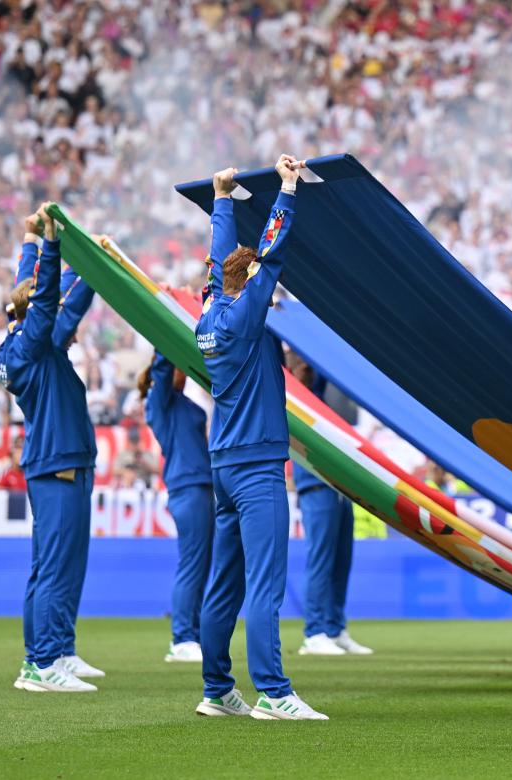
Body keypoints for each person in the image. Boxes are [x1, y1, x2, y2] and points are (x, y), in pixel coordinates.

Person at [192, 159, 327, 721]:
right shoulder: (247, 313)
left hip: (223, 464)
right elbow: (267, 253)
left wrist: (223, 198)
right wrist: (288, 188)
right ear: (250, 286)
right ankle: (273, 693)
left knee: (223, 585)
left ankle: (217, 690)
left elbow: (228, 262)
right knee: (265, 584)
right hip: (256, 467)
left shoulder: (206, 313)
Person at [0, 205, 103, 694]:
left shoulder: (23, 341)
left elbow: (35, 293)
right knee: (54, 568)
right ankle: (41, 664)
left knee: (51, 567)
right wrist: (54, 241)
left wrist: (29, 240)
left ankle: (49, 653)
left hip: (60, 461)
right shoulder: (33, 345)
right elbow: (43, 299)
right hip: (57, 463)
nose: (58, 311)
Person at [287, 350, 372, 657]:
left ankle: (335, 628)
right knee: (321, 559)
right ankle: (314, 631)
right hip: (316, 481)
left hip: (340, 483)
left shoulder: (324, 387)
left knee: (341, 560)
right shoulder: (301, 393)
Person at [140, 351, 214, 665]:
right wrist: (164, 343)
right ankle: (182, 636)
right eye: (177, 368)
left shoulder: (180, 403)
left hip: (200, 485)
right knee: (192, 564)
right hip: (187, 486)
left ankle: (190, 633)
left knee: (200, 565)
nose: (182, 372)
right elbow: (163, 364)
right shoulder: (159, 403)